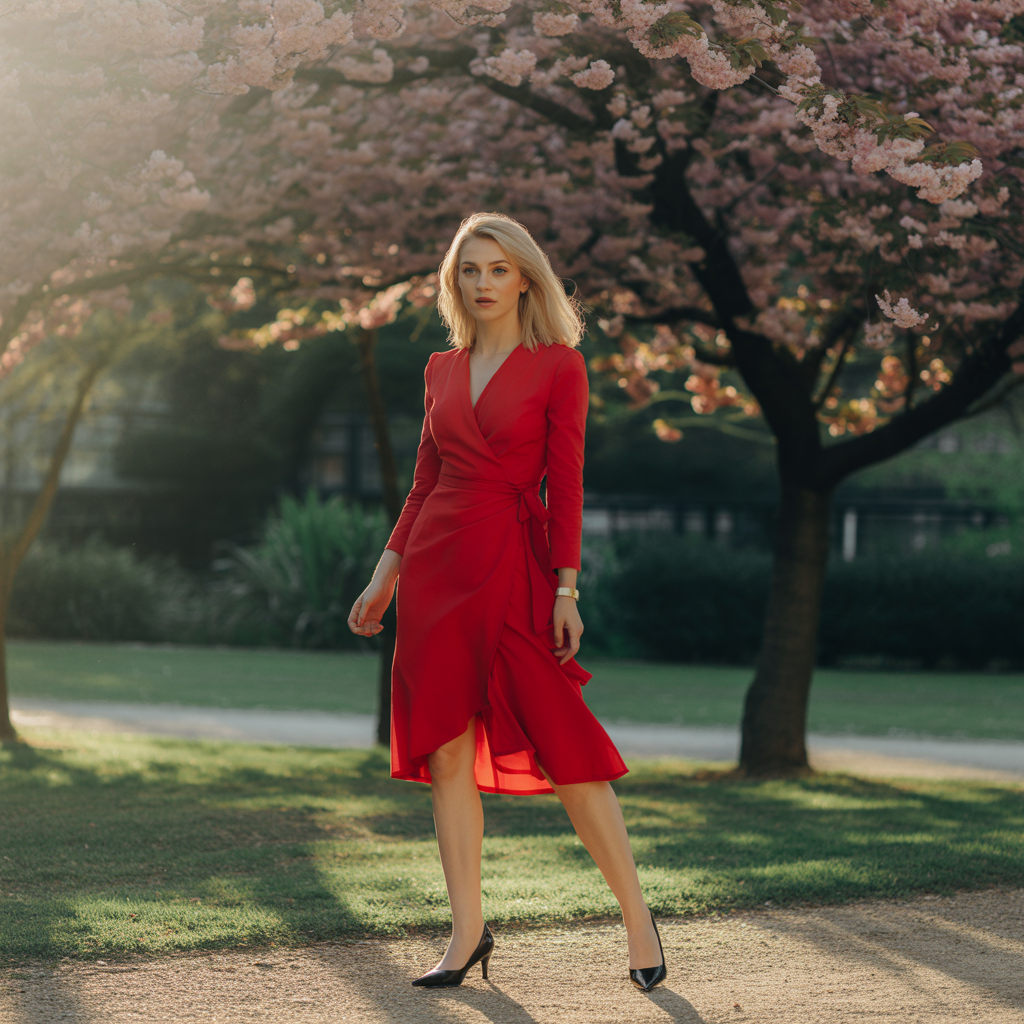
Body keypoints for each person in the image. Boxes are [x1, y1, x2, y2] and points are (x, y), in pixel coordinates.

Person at [347, 212, 666, 992]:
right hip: (436, 572)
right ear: (454, 282)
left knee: (568, 748)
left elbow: (568, 483)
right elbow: (425, 482)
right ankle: (465, 932)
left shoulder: (560, 365)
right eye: (469, 270)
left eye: (497, 269)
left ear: (525, 276)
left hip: (517, 574)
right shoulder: (439, 369)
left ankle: (635, 915)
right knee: (447, 750)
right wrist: (385, 573)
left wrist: (567, 587)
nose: (483, 283)